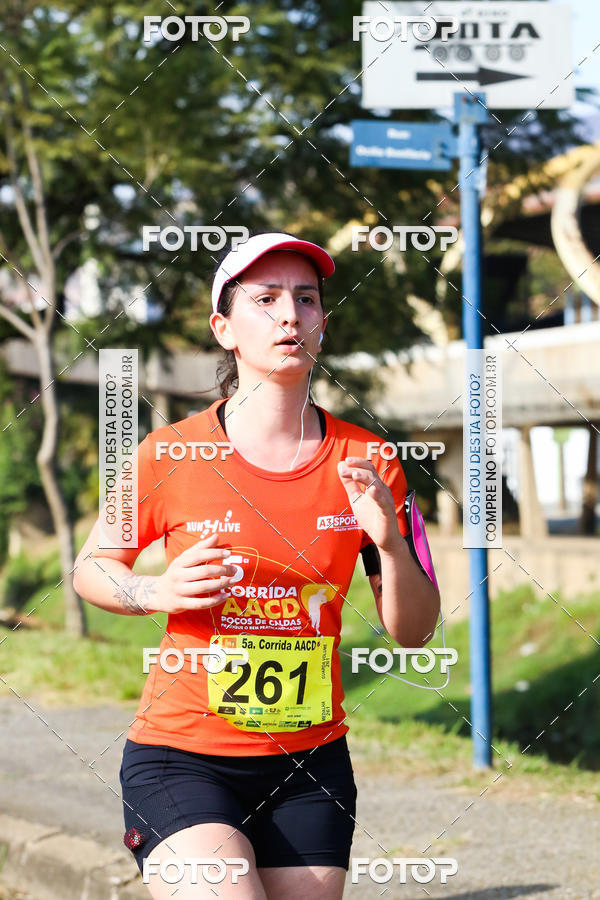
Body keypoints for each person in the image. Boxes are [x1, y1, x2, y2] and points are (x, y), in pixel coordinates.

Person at [73, 231, 440, 900]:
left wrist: (389, 543)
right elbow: (92, 566)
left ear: (322, 323)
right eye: (265, 299)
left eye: (305, 300)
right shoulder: (168, 453)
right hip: (180, 755)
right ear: (224, 329)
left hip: (310, 766)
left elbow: (414, 633)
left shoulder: (372, 461)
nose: (288, 316)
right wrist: (153, 588)